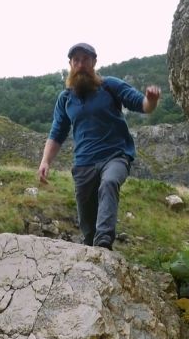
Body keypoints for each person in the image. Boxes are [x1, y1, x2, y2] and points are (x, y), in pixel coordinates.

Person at [37, 42, 161, 250]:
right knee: (87, 224)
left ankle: (104, 244)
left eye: (85, 59)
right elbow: (57, 132)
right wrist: (45, 161)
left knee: (110, 182)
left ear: (94, 62)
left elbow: (142, 105)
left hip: (115, 156)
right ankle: (92, 248)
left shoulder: (110, 86)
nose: (81, 64)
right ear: (70, 64)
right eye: (76, 60)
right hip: (84, 164)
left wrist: (151, 100)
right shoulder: (66, 98)